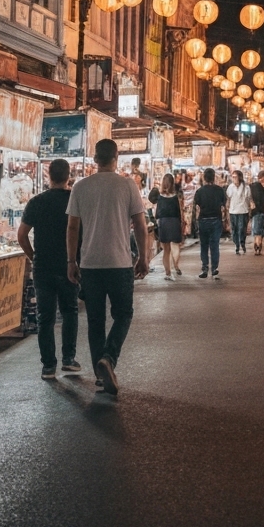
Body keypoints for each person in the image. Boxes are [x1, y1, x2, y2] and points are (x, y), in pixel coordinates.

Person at [66, 139, 148, 397]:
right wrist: (143, 257)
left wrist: (71, 260)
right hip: (120, 263)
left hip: (90, 264)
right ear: (116, 157)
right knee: (123, 314)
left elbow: (72, 228)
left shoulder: (80, 186)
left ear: (94, 159)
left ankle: (101, 376)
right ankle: (109, 360)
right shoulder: (127, 185)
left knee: (95, 321)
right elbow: (140, 225)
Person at [18, 159, 80, 380]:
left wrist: (33, 257)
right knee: (69, 311)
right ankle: (69, 359)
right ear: (68, 176)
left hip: (42, 266)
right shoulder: (74, 200)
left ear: (48, 176)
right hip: (68, 265)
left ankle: (48, 366)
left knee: (45, 317)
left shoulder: (37, 202)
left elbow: (22, 235)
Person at [194, 168, 228, 279]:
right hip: (216, 220)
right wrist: (225, 220)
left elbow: (197, 207)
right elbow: (224, 206)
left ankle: (204, 267)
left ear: (204, 177)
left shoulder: (199, 191)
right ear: (214, 177)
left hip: (203, 220)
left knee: (204, 245)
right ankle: (214, 268)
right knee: (215, 245)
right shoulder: (220, 190)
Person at [152, 173, 185, 280]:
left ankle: (168, 273)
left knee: (166, 250)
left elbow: (157, 213)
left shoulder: (159, 197)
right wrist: (181, 223)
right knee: (175, 246)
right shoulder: (176, 196)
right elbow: (179, 212)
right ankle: (175, 265)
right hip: (175, 221)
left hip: (164, 222)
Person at [226, 170, 252, 256]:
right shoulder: (230, 187)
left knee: (242, 229)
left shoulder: (246, 187)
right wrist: (227, 206)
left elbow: (249, 198)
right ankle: (237, 245)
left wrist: (251, 207)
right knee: (234, 230)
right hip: (233, 211)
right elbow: (228, 198)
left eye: (235, 177)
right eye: (232, 177)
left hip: (243, 211)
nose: (233, 179)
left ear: (239, 177)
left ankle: (242, 243)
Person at [250, 170, 264, 255]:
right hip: (259, 211)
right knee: (259, 229)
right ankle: (258, 245)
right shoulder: (255, 187)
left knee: (258, 230)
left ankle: (257, 244)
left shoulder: (254, 186)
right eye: (263, 181)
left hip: (260, 211)